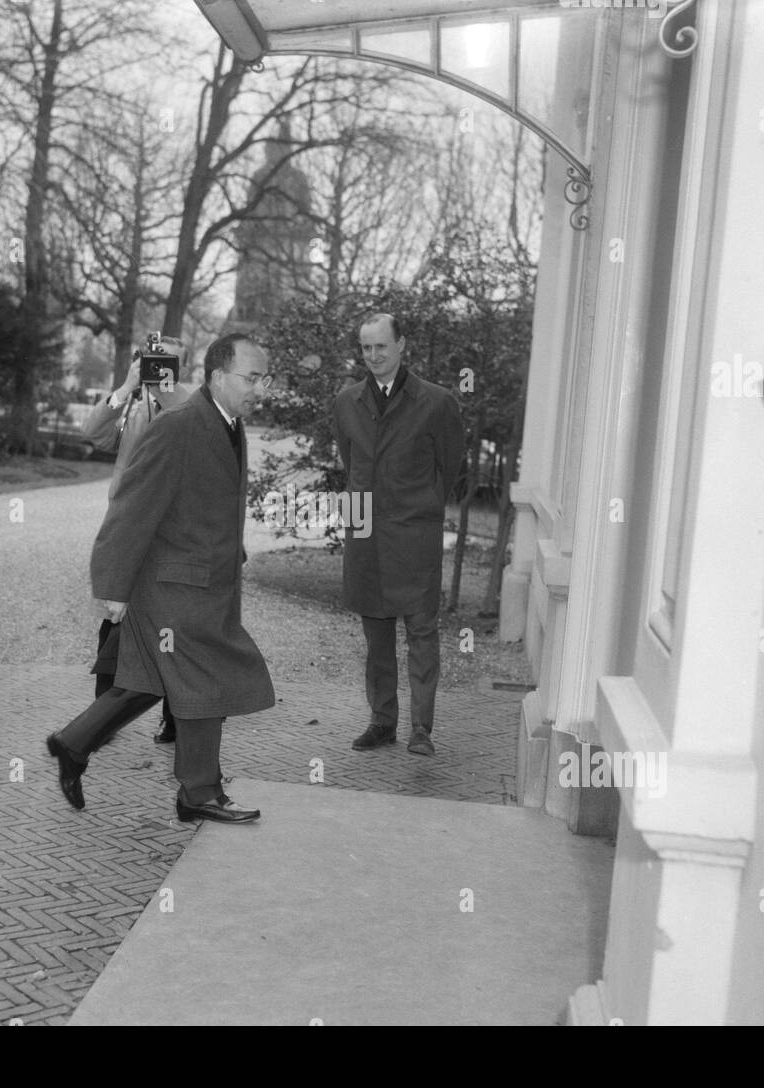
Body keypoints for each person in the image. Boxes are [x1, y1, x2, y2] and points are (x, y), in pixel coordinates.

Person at [46, 333, 275, 823]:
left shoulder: (228, 424)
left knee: (150, 681)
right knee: (204, 680)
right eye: (251, 377)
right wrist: (113, 587)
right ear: (216, 376)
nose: (261, 388)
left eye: (264, 378)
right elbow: (132, 509)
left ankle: (74, 744)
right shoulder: (180, 425)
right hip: (173, 588)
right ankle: (199, 792)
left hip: (204, 583)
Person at [332, 312, 466, 758]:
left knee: (422, 633)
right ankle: (382, 721)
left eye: (381, 346)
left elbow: (452, 469)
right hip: (366, 534)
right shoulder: (347, 402)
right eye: (366, 347)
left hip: (415, 537)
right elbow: (350, 465)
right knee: (376, 636)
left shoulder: (437, 402)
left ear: (402, 344)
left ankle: (421, 729)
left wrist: (419, 507)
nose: (373, 356)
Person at [79, 341, 196, 747]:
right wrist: (127, 385)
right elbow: (92, 434)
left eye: (169, 360)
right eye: (153, 358)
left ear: (183, 365)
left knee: (173, 626)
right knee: (114, 622)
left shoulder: (190, 403)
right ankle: (101, 721)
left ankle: (175, 720)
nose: (159, 367)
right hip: (128, 528)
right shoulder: (132, 403)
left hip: (169, 533)